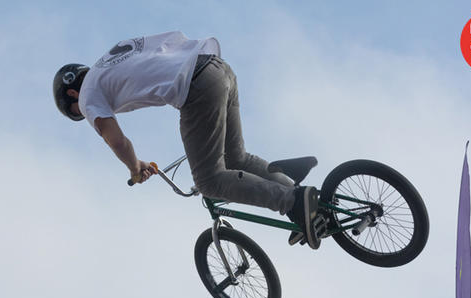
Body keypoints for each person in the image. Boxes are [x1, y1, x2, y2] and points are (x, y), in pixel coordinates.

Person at [53, 31, 321, 249]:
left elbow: (117, 142)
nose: (84, 115)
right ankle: (309, 206)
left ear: (73, 93)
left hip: (197, 87)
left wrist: (134, 169)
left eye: (77, 113)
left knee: (209, 181)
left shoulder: (87, 96)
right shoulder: (113, 58)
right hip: (217, 68)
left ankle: (292, 201)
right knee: (235, 158)